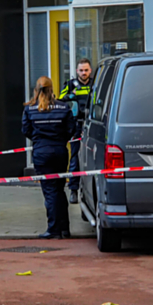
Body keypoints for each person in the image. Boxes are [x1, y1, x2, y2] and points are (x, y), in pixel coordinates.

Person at [23, 76, 75, 239]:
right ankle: (65, 228)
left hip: (41, 153)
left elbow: (26, 130)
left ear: (36, 89)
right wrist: (60, 139)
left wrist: (40, 140)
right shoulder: (63, 107)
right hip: (60, 151)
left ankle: (53, 229)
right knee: (59, 189)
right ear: (52, 88)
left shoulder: (30, 109)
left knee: (50, 191)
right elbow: (71, 129)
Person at [59, 58, 93, 204]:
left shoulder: (95, 84)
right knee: (75, 157)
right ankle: (73, 190)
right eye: (81, 70)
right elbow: (60, 102)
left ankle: (90, 191)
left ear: (90, 70)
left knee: (93, 157)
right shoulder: (71, 84)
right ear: (76, 71)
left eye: (86, 70)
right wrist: (69, 96)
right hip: (76, 125)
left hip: (93, 124)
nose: (84, 73)